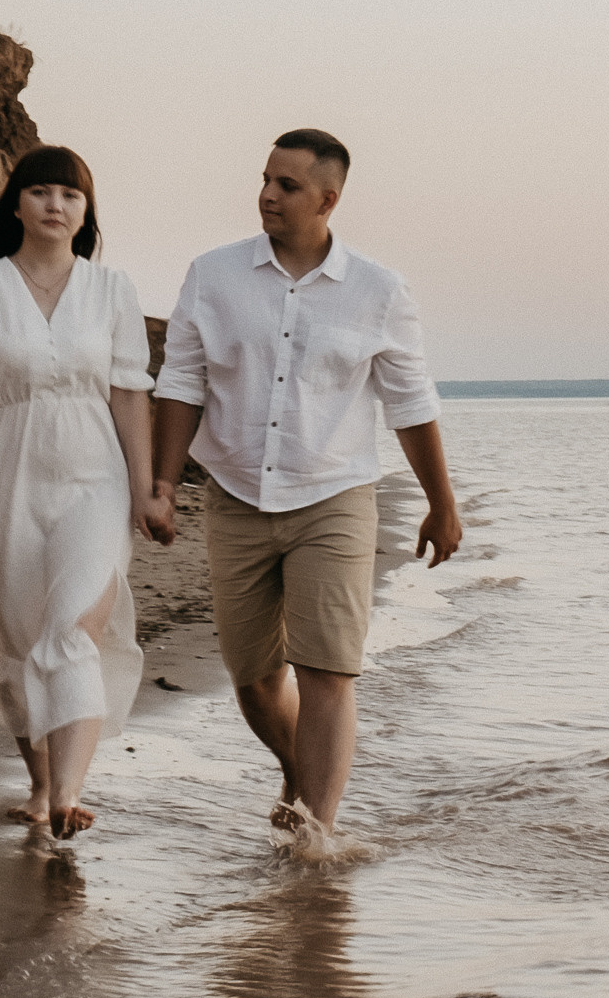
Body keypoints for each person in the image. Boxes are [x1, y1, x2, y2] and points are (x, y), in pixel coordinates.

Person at [143, 128, 461, 855]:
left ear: (328, 199)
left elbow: (410, 401)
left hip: (334, 495)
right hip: (235, 493)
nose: (266, 195)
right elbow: (182, 380)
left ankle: (316, 835)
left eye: (286, 186)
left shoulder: (378, 290)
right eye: (263, 179)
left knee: (326, 668)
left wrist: (442, 504)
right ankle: (294, 767)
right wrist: (162, 483)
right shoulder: (213, 275)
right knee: (253, 678)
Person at [0, 145, 159, 838]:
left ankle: (67, 793)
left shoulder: (112, 291)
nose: (56, 205)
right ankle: (40, 780)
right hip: (5, 469)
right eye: (43, 192)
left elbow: (130, 396)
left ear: (86, 213)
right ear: (16, 204)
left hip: (95, 474)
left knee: (70, 630)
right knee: (23, 641)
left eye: (71, 196)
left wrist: (143, 490)